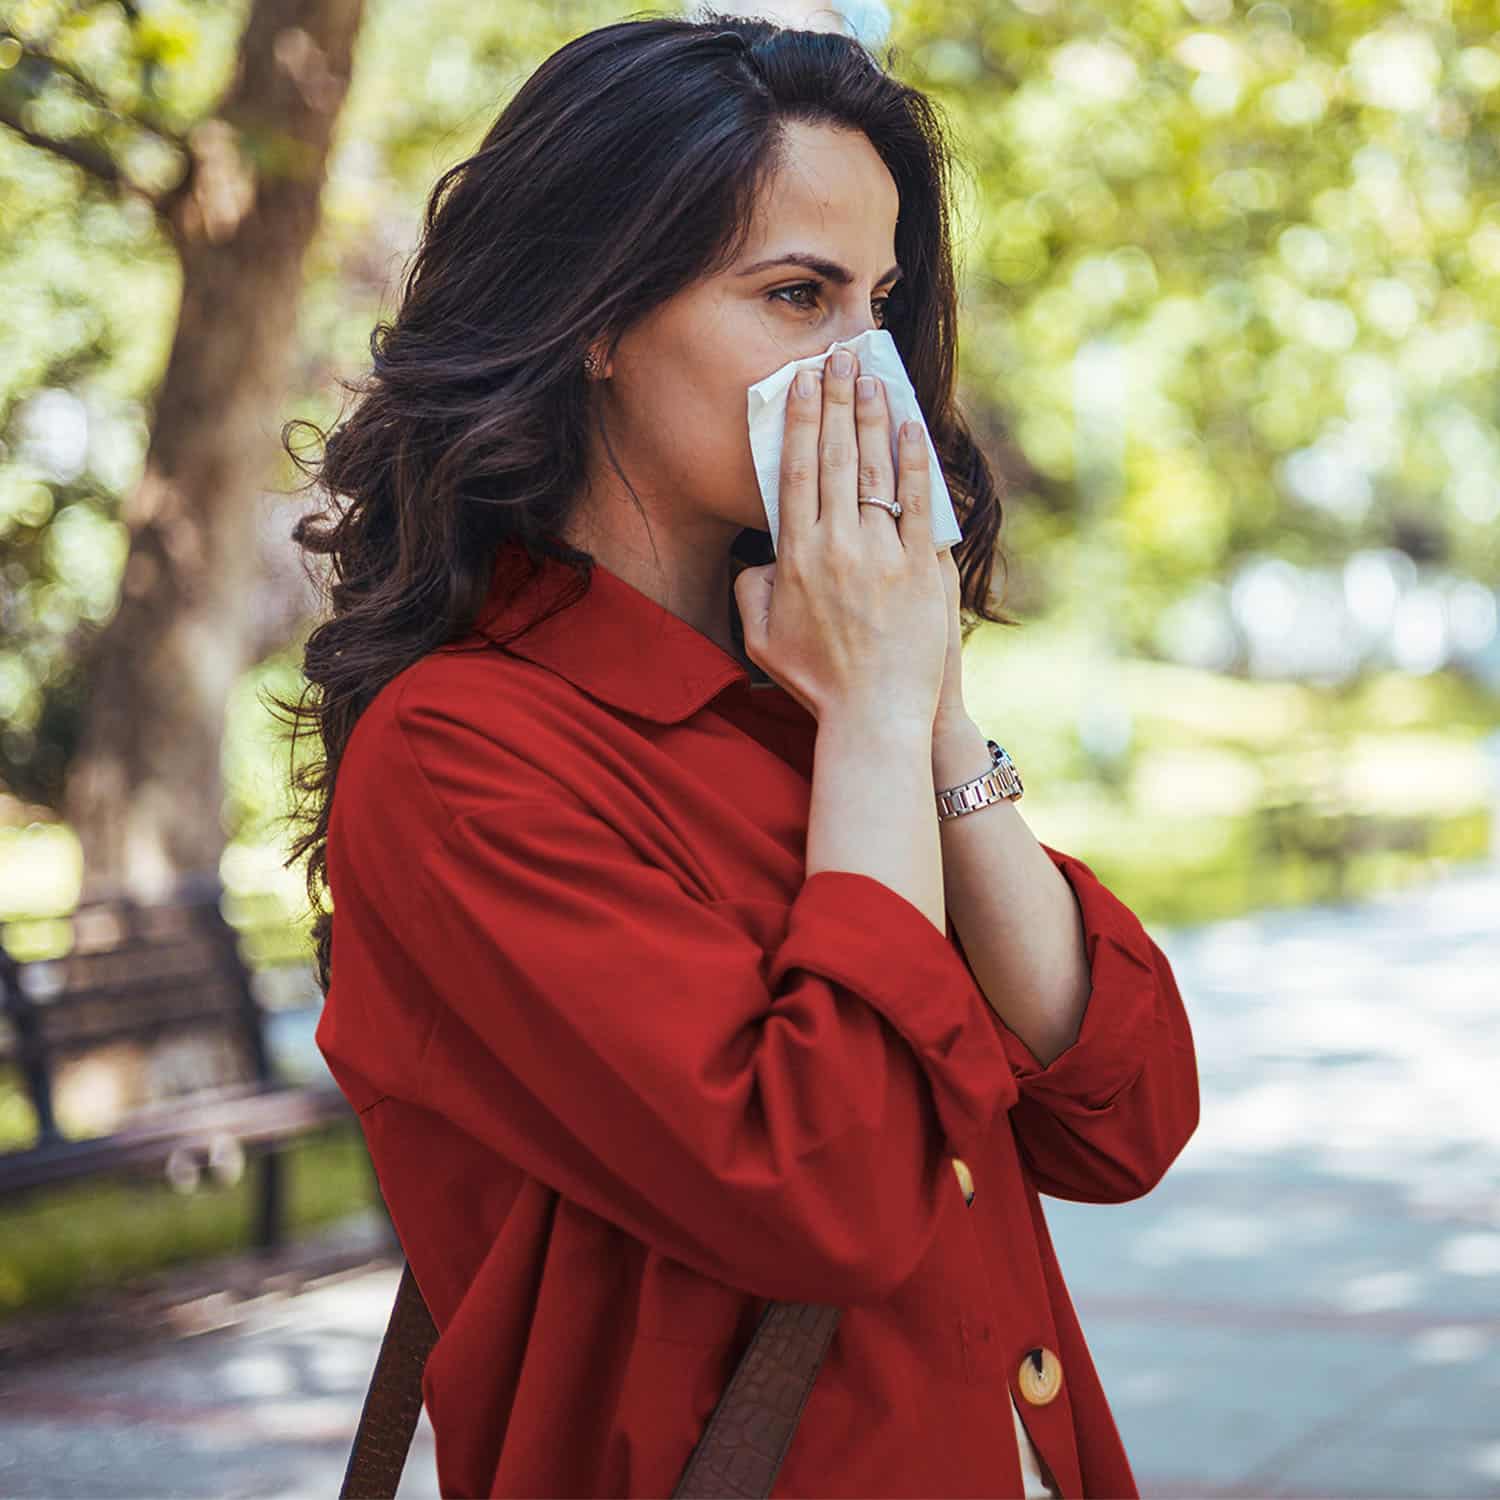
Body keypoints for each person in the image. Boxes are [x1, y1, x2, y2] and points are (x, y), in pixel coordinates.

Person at [279, 11, 1201, 1497]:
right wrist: (881, 719)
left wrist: (929, 708)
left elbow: (1128, 1111)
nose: (866, 373)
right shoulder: (462, 756)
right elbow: (821, 1192)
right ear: (594, 316)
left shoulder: (814, 693)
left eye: (879, 307)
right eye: (795, 296)